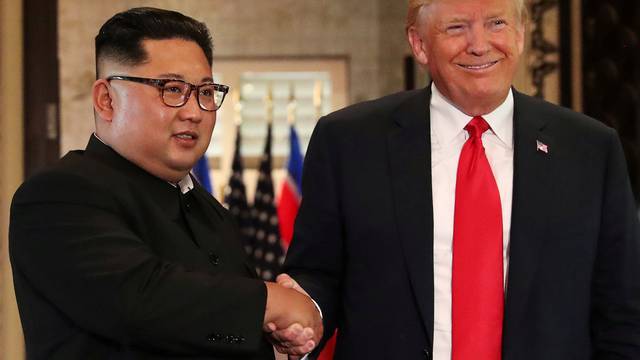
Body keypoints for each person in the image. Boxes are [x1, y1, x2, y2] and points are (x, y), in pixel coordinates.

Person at [276, 0, 640, 359]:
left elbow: (622, 311)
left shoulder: (590, 150)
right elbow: (318, 275)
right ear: (419, 44)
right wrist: (304, 319)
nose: (480, 44)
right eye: (456, 27)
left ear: (522, 35)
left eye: (497, 23)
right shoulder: (349, 142)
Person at [9, 7, 320, 359]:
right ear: (106, 99)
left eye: (205, 92)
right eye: (171, 88)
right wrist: (271, 302)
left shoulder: (210, 211)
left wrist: (279, 333)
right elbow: (140, 300)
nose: (194, 111)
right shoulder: (58, 194)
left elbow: (218, 325)